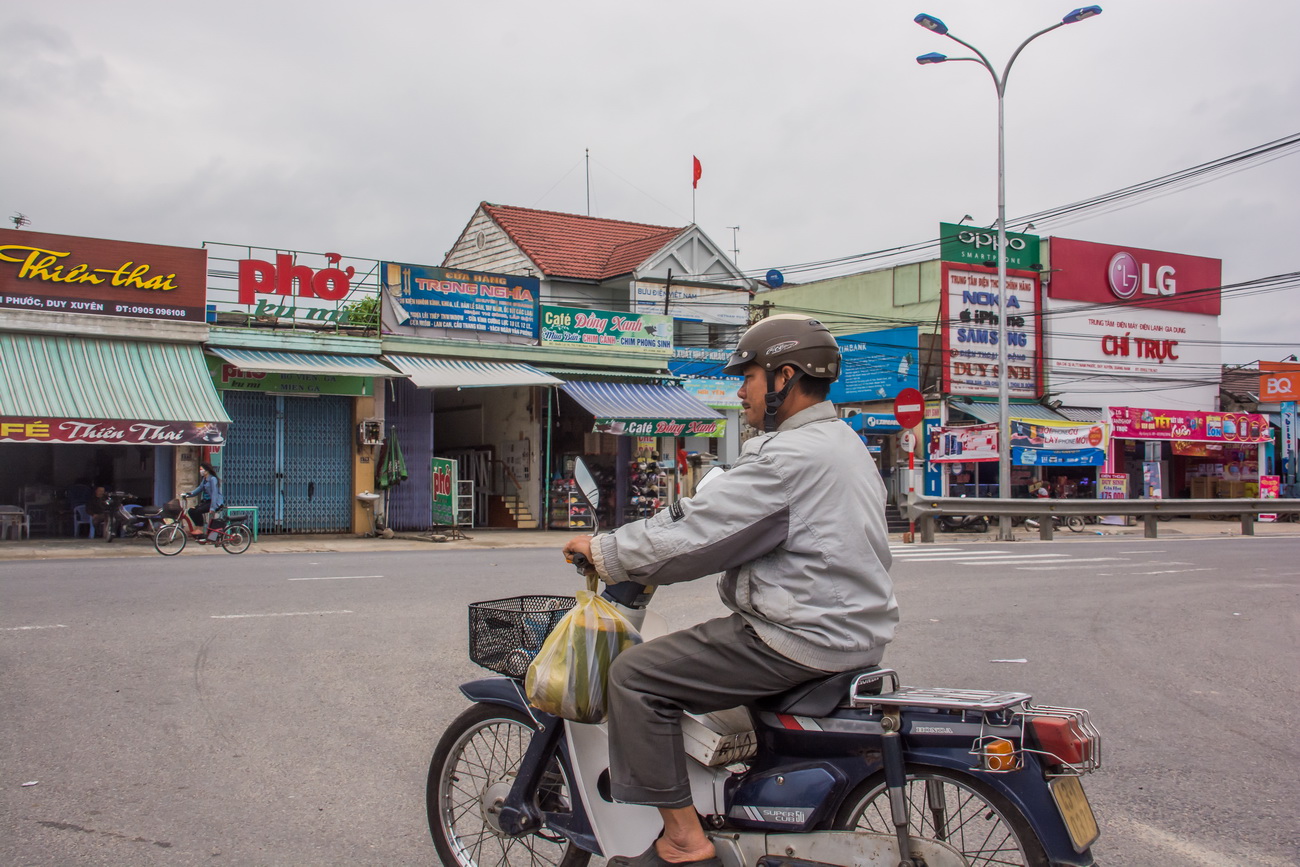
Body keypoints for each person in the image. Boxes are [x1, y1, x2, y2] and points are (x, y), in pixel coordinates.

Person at [563, 315, 897, 867]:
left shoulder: (789, 457)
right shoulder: (842, 443)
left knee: (636, 676)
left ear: (785, 376)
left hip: (800, 636)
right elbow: (762, 534)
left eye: (750, 377)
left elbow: (698, 532)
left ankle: (682, 841)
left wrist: (606, 552)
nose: (740, 390)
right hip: (851, 630)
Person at [182, 462, 224, 537]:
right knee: (191, 511)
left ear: (207, 470)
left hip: (214, 502)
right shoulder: (204, 479)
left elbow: (214, 494)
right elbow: (199, 489)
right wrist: (188, 495)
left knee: (198, 511)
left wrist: (213, 507)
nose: (200, 471)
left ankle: (200, 529)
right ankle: (199, 528)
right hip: (206, 501)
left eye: (201, 469)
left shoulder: (213, 479)